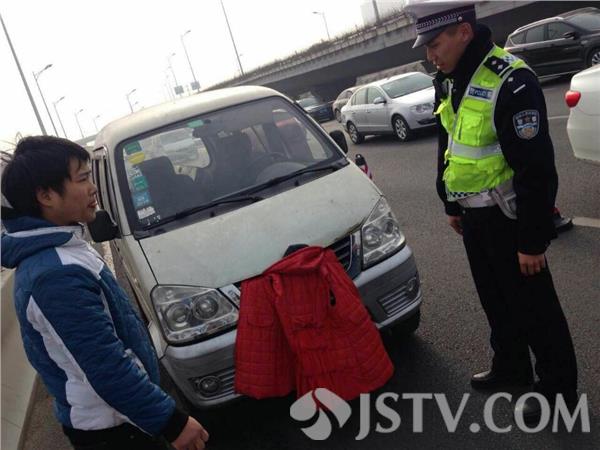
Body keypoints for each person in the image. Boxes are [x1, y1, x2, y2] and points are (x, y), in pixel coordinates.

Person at [404, 1, 578, 424]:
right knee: (495, 301)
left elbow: (536, 168)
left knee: (537, 310)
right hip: (473, 217)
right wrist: (451, 201)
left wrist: (532, 240)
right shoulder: (448, 81)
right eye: (426, 46)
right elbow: (448, 143)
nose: (430, 54)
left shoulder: (511, 81)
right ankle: (512, 366)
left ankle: (558, 392)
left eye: (435, 43)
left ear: (464, 32)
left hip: (509, 218)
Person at [0, 136, 209, 450]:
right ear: (46, 195)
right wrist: (171, 423)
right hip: (113, 429)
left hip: (122, 417)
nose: (93, 187)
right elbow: (106, 365)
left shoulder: (62, 248)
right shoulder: (54, 275)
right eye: (83, 178)